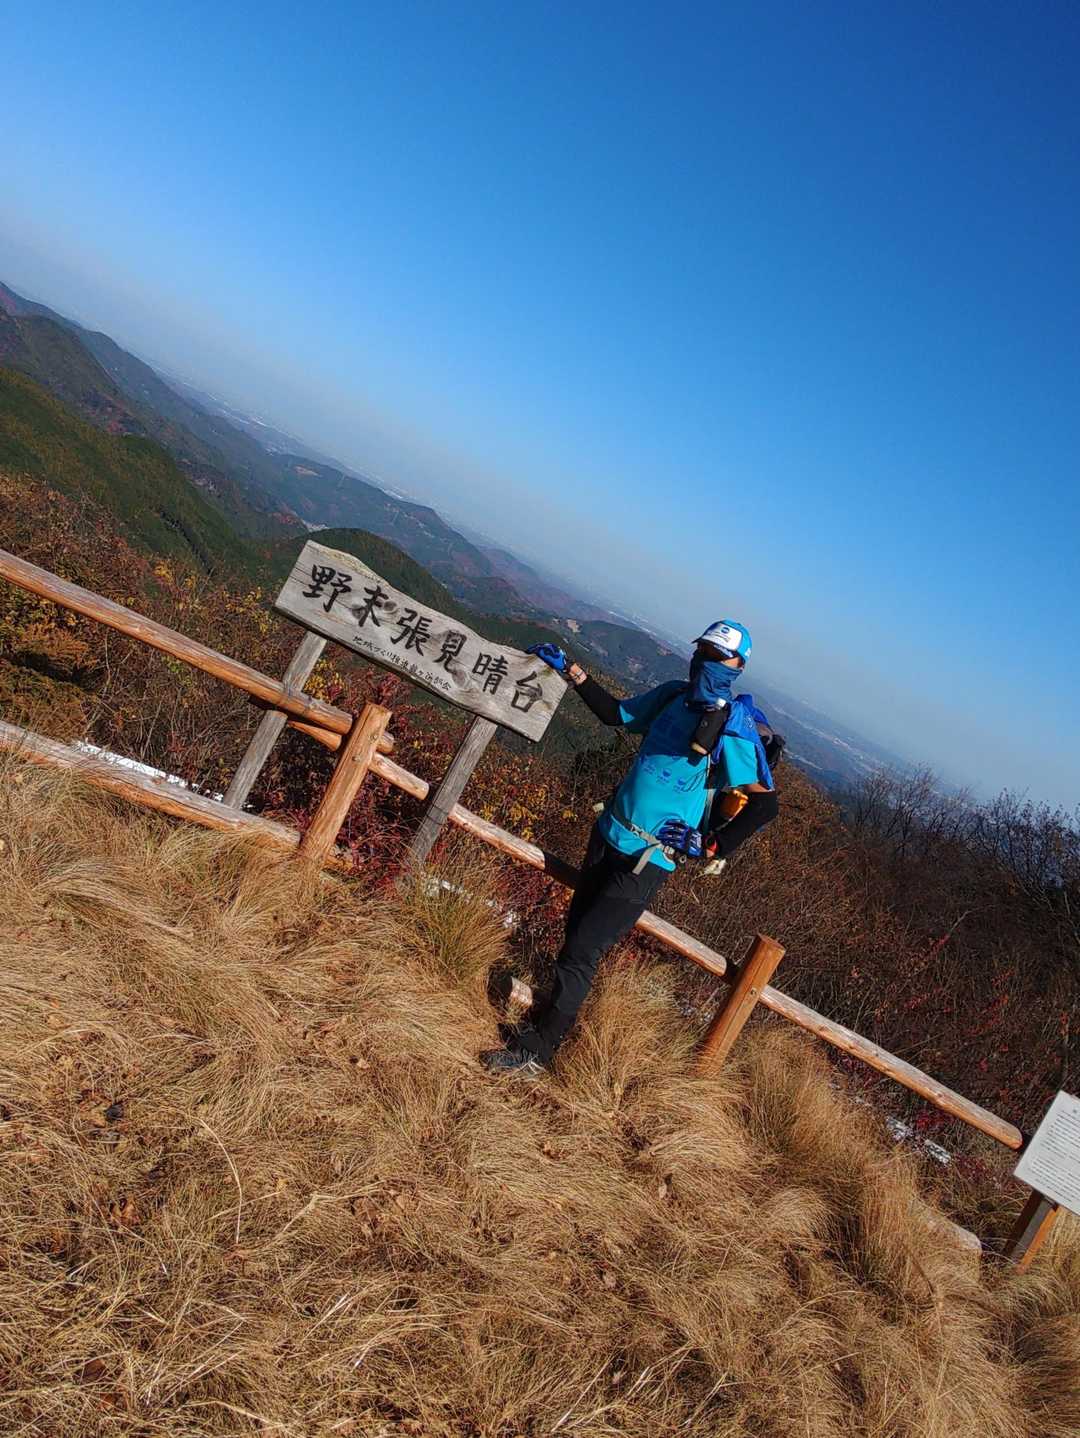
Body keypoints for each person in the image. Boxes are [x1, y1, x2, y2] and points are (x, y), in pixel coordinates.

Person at [480, 620, 782, 1078]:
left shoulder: (732, 730)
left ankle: (539, 1051)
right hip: (608, 834)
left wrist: (711, 845)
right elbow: (616, 715)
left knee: (582, 951)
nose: (705, 661)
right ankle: (545, 1024)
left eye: (717, 656)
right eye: (702, 650)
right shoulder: (671, 696)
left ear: (738, 666)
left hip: (648, 858)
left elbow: (765, 805)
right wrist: (572, 670)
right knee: (575, 936)